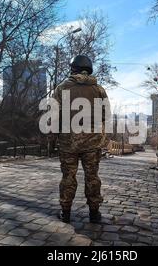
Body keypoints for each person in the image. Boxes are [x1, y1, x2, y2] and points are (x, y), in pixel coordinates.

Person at [53, 55, 109, 223]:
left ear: (73, 69)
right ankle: (94, 213)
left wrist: (53, 137)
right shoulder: (99, 90)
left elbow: (53, 116)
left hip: (68, 142)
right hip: (92, 143)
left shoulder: (62, 88)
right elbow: (105, 115)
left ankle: (66, 212)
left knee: (68, 177)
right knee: (92, 177)